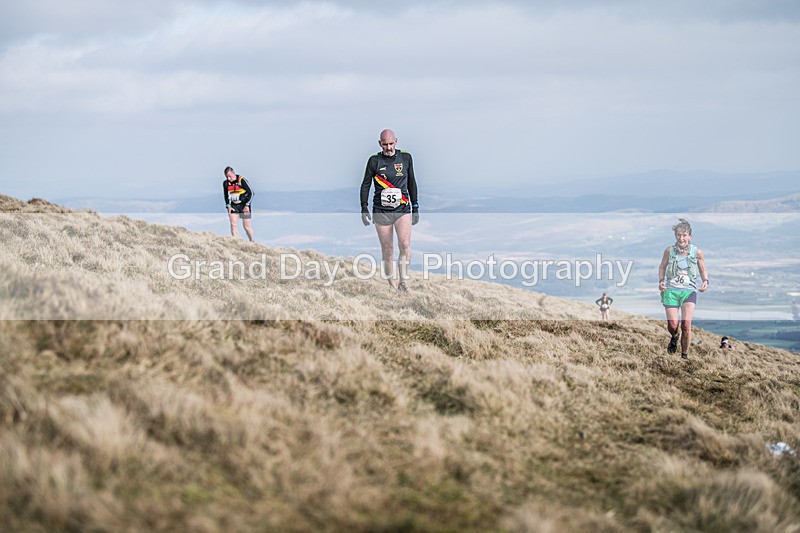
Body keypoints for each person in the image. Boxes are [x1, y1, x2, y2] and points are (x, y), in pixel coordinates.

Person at [360, 129, 419, 291]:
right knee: (388, 250)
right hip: (381, 211)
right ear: (380, 144)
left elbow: (412, 183)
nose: (388, 147)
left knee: (405, 244)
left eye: (391, 144)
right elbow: (365, 185)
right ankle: (393, 287)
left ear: (396, 142)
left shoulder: (405, 158)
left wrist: (415, 206)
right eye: (385, 144)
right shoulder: (374, 161)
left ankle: (403, 283)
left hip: (402, 208)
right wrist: (364, 207)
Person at [658, 218, 709, 359]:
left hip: (689, 291)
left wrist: (705, 280)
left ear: (690, 236)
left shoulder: (697, 252)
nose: (681, 238)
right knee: (673, 325)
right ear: (675, 236)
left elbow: (702, 268)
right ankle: (674, 336)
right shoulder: (669, 251)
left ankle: (684, 356)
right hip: (671, 290)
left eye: (684, 235)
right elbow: (662, 267)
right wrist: (661, 281)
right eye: (678, 235)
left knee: (686, 325)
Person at [223, 166, 254, 242]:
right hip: (234, 205)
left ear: (233, 173)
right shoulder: (226, 183)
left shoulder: (241, 180)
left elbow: (251, 193)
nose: (228, 178)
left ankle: (252, 241)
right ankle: (236, 242)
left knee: (246, 227)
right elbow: (226, 195)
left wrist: (247, 205)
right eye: (227, 177)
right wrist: (228, 206)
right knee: (233, 224)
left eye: (230, 176)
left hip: (244, 206)